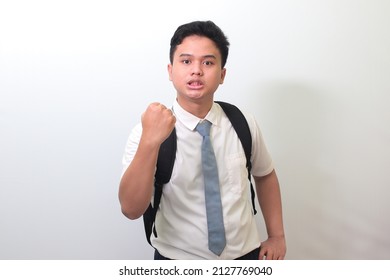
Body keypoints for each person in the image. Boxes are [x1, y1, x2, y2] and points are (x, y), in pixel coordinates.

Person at [119, 20, 286, 260]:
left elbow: (265, 174)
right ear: (170, 71)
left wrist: (277, 235)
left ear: (222, 74)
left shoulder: (243, 122)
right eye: (186, 61)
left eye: (208, 62)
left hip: (246, 257)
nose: (196, 70)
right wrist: (150, 142)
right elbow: (131, 209)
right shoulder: (145, 132)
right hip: (176, 261)